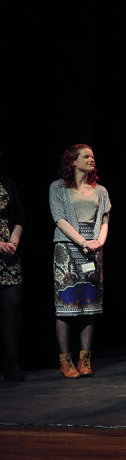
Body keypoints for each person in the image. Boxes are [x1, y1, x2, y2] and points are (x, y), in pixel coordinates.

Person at [49, 144, 111, 378]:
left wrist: (98, 242)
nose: (91, 159)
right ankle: (66, 361)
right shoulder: (58, 188)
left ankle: (85, 359)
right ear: (72, 161)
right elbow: (60, 219)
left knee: (89, 305)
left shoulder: (100, 190)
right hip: (67, 248)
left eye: (93, 156)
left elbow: (104, 219)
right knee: (66, 304)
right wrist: (82, 242)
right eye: (86, 156)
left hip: (94, 249)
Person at [0, 151, 26, 382]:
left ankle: (11, 361)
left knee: (12, 306)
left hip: (8, 253)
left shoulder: (7, 182)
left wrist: (13, 241)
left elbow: (18, 216)